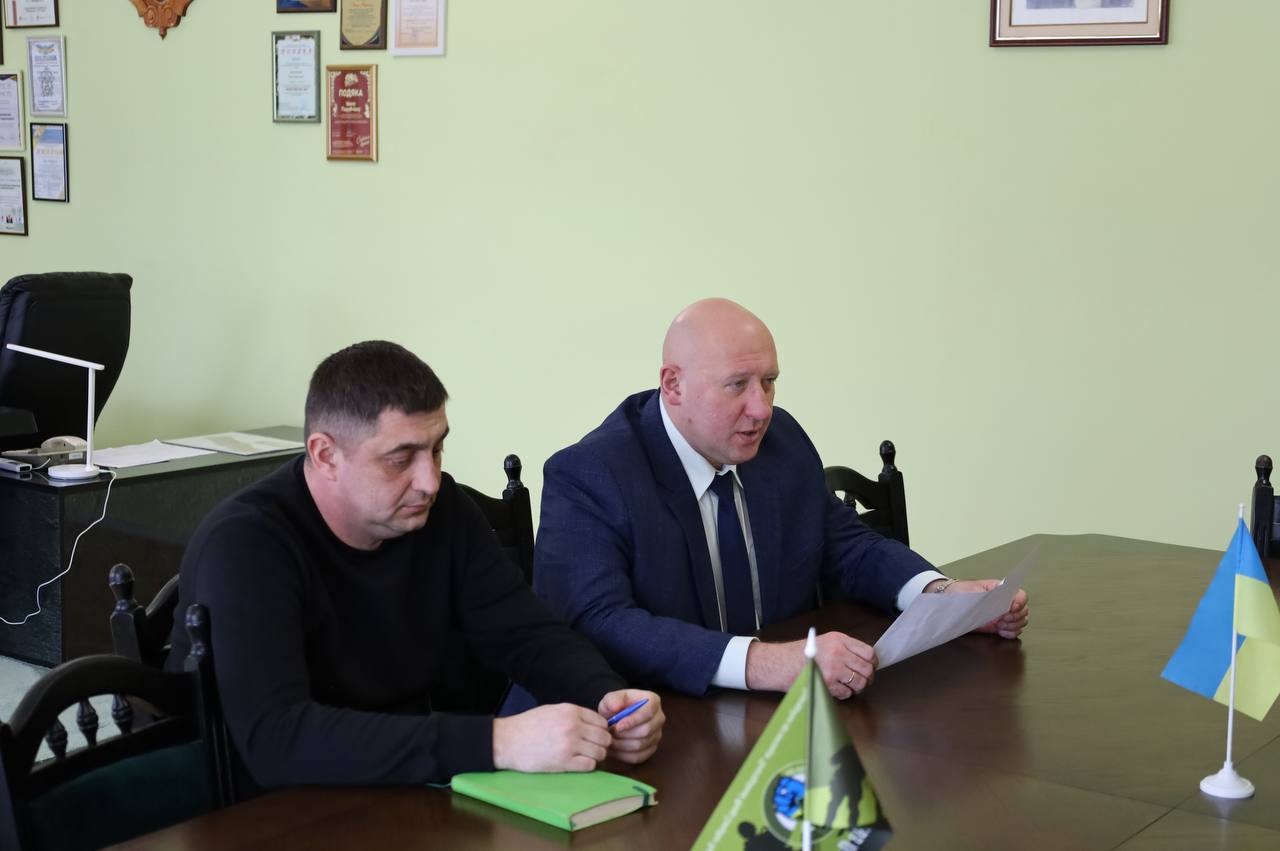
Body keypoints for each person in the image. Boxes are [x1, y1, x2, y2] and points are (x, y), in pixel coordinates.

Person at [167, 341, 664, 793]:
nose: (430, 480)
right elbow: (279, 741)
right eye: (400, 459)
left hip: (402, 790)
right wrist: (498, 742)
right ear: (325, 455)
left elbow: (526, 634)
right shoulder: (246, 546)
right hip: (272, 811)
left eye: (437, 448)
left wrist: (607, 696)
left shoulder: (442, 512)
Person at [534, 298, 1028, 699]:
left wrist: (942, 599)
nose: (761, 408)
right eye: (737, 386)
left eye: (769, 382)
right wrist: (763, 662)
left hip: (767, 720)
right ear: (673, 385)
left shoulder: (780, 442)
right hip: (636, 726)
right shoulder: (592, 474)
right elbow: (598, 621)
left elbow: (846, 545)